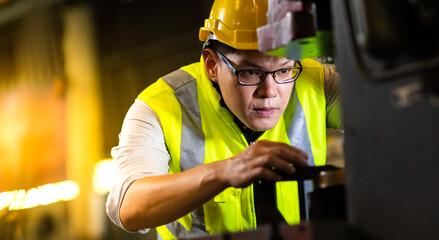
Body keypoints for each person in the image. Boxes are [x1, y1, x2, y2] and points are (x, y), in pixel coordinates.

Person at [106, 0, 342, 239]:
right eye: (251, 72)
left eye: (283, 70)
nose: (269, 91)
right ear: (212, 65)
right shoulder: (159, 107)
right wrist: (225, 172)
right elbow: (129, 206)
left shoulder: (316, 82)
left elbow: (377, 113)